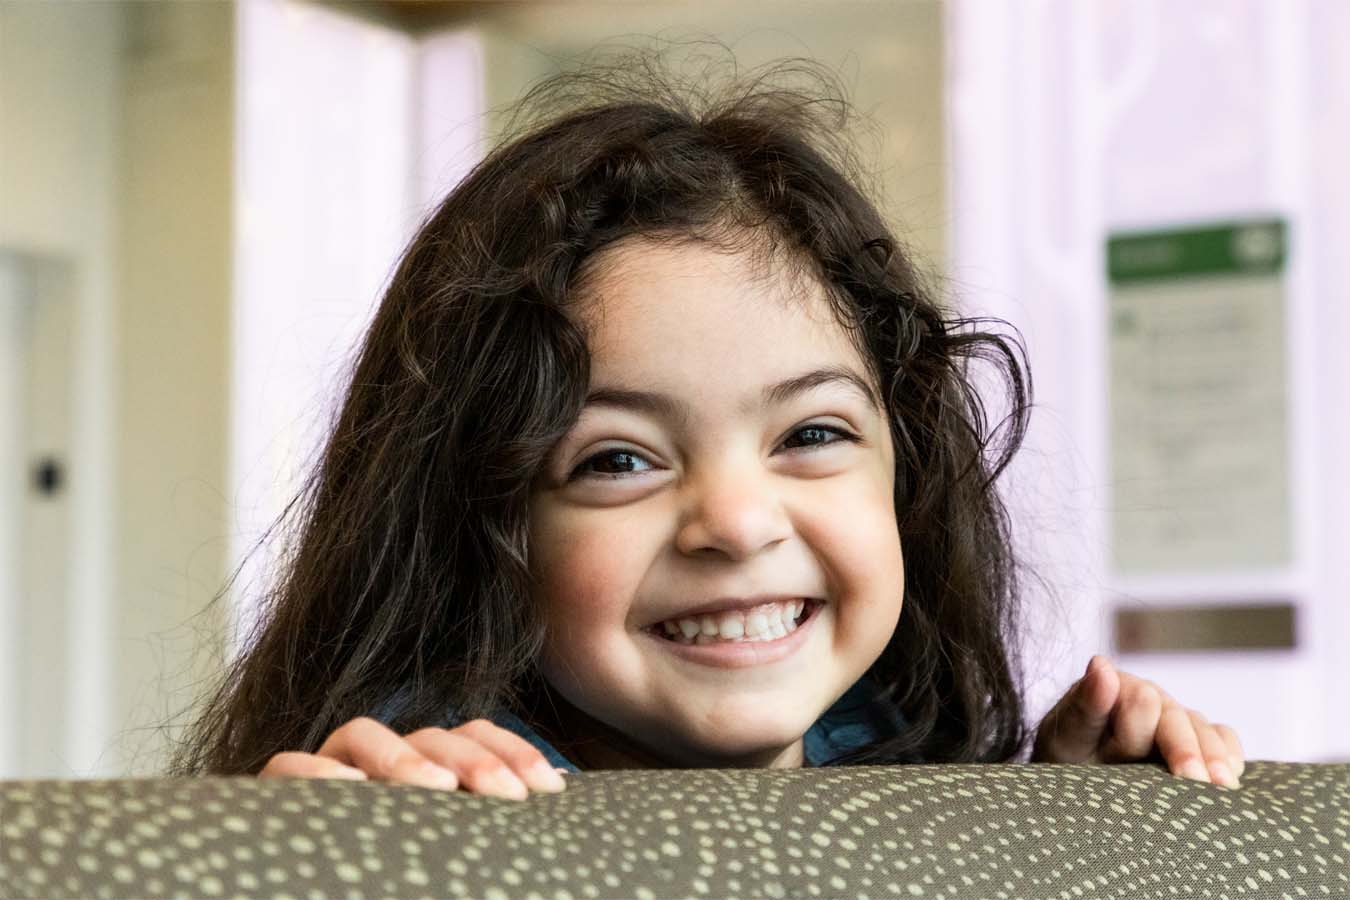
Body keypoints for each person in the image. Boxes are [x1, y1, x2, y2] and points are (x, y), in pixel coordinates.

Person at [167, 53, 1244, 800]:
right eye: (618, 459)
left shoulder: (898, 768)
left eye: (811, 435)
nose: (734, 522)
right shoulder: (424, 800)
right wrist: (307, 857)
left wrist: (1063, 829)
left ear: (907, 477)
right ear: (477, 532)